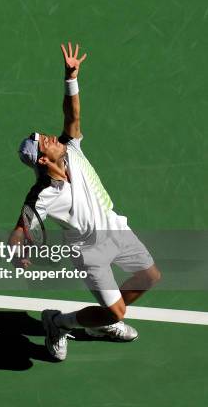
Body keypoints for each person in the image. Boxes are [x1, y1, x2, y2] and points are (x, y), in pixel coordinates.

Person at [10, 42, 161, 361]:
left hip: (116, 230)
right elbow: (22, 226)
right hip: (89, 252)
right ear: (40, 160)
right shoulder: (42, 195)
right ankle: (59, 322)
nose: (51, 138)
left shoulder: (71, 149)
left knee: (149, 277)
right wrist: (17, 249)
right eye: (44, 142)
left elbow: (72, 114)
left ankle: (102, 321)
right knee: (116, 312)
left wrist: (70, 77)